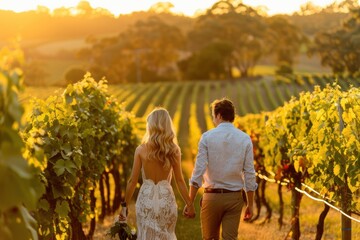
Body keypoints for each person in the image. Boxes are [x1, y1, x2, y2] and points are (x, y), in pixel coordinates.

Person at [184, 98, 258, 240]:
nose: (213, 120)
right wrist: (250, 204)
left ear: (218, 115)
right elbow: (249, 173)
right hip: (234, 198)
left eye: (213, 116)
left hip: (212, 197)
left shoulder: (206, 137)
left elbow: (198, 171)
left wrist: (190, 202)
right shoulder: (244, 139)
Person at [119, 107, 195, 240]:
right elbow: (180, 181)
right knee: (166, 234)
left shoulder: (140, 150)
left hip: (146, 199)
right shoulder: (174, 150)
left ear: (151, 126)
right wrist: (189, 204)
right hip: (166, 199)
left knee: (145, 235)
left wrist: (124, 207)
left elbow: (132, 181)